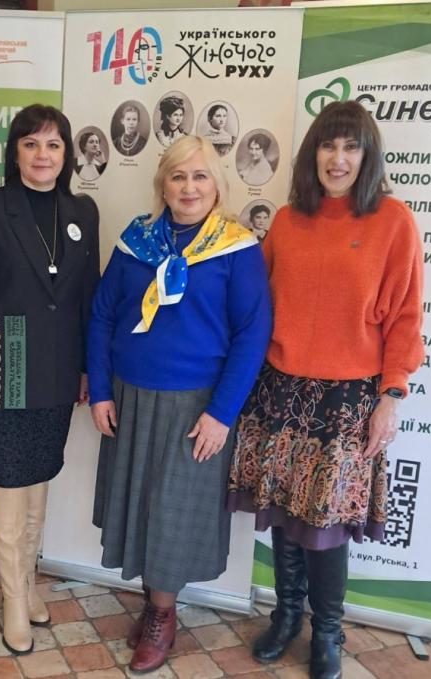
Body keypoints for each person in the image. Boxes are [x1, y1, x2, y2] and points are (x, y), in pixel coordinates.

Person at [227, 101, 423, 679]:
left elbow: (406, 317)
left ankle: (328, 632)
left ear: (367, 156)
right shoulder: (289, 220)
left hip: (347, 399)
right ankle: (287, 615)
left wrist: (392, 396)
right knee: (285, 513)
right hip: (280, 389)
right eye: (328, 145)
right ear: (313, 154)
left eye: (350, 147)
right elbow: (256, 305)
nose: (337, 158)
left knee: (325, 525)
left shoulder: (392, 220)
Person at [87, 135, 271, 673]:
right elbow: (102, 315)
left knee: (172, 513)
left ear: (217, 186)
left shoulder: (237, 248)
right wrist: (100, 390)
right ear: (162, 185)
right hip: (130, 397)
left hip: (196, 407)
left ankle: (162, 615)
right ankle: (154, 605)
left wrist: (222, 414)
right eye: (178, 176)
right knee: (140, 506)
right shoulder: (136, 240)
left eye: (200, 176)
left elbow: (252, 334)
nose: (189, 188)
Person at [0, 104, 99, 656]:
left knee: (38, 476)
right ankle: (13, 599)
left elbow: (88, 297)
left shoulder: (82, 210)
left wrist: (89, 368)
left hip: (60, 367)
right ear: (15, 152)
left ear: (66, 154)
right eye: (32, 143)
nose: (43, 155)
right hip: (5, 358)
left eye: (54, 144)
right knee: (8, 479)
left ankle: (29, 583)